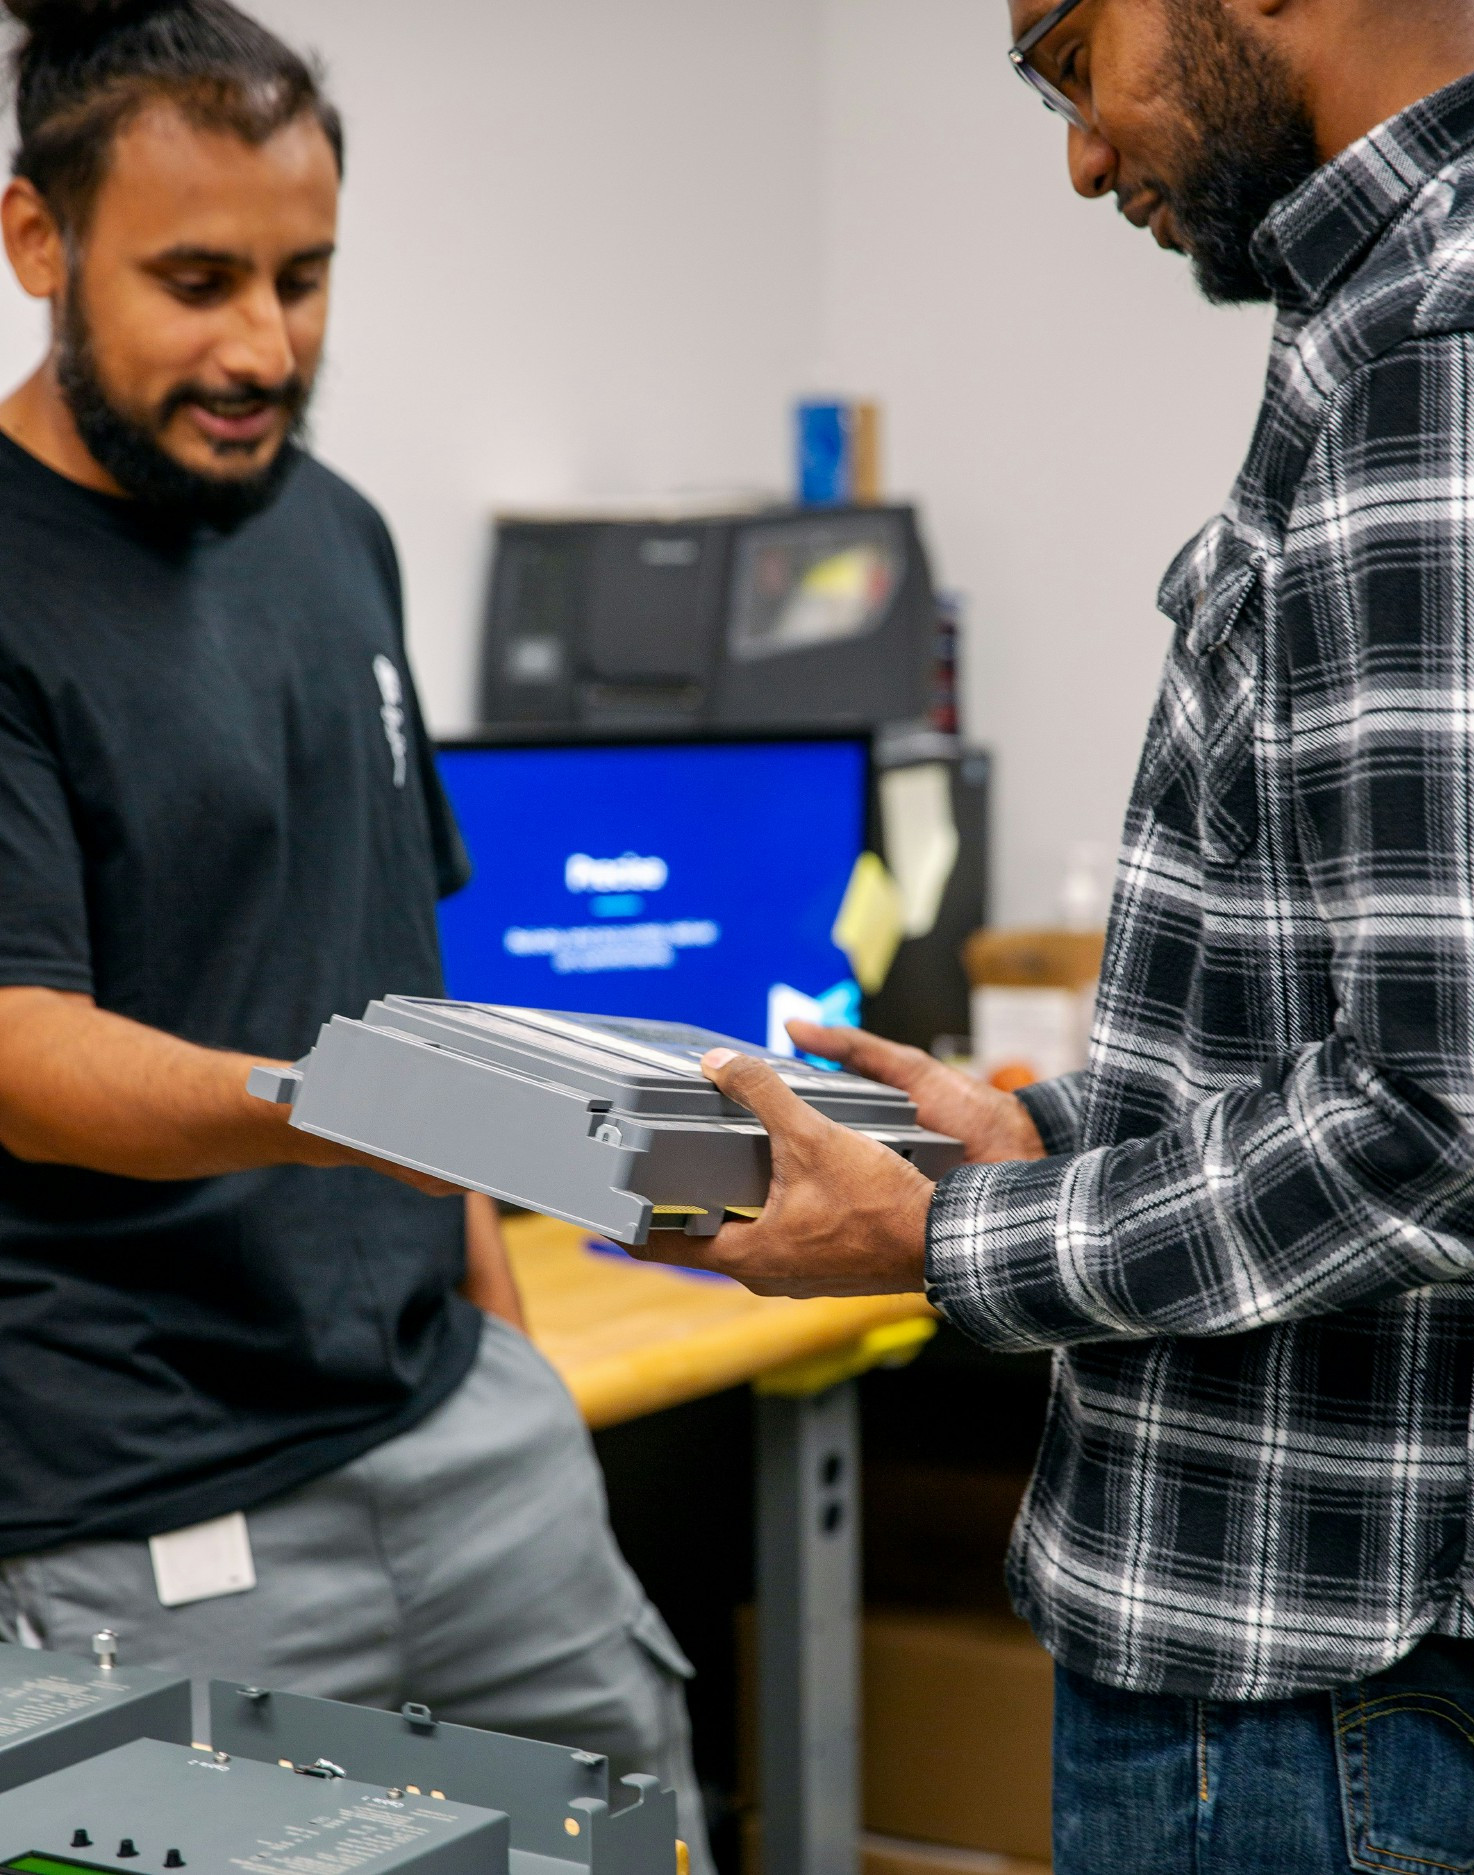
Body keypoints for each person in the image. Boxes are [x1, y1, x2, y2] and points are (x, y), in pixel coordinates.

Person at [637, 0, 1474, 1867]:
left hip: (1310, 1702)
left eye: (1065, 48)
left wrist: (950, 1230)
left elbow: (1446, 1115)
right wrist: (1061, 1136)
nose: (1085, 152)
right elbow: (1355, 1021)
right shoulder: (1387, 321)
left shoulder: (1441, 349)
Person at [0, 3, 711, 1864]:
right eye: (198, 280)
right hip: (150, 1521)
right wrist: (344, 1099)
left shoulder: (343, 534)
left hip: (474, 1452)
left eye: (305, 280)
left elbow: (394, 957)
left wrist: (509, 1351)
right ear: (35, 245)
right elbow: (19, 1051)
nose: (262, 345)